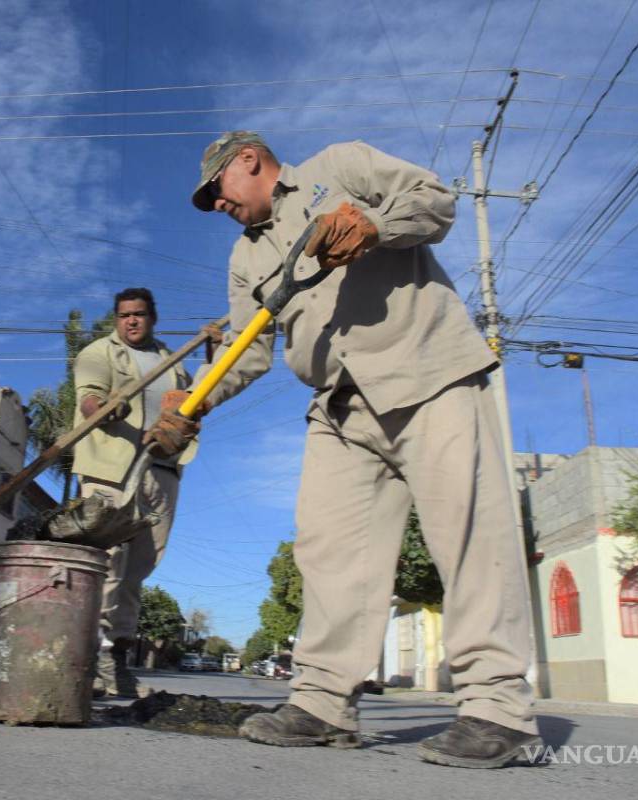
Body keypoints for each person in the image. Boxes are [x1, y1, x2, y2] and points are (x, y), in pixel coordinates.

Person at [144, 132, 542, 768]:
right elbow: (249, 349)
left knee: (469, 535)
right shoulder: (246, 258)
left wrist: (376, 225)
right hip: (339, 405)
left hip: (425, 372)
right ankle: (325, 704)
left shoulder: (341, 166)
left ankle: (499, 711)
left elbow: (434, 201)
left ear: (247, 160)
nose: (218, 205)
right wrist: (191, 404)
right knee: (328, 550)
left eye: (216, 190)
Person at [72, 287, 204, 698]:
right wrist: (104, 409)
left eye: (139, 314)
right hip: (111, 469)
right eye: (124, 315)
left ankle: (120, 655)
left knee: (139, 567)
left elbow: (192, 402)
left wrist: (215, 358)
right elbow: (88, 397)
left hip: (161, 471)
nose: (131, 321)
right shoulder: (98, 352)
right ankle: (93, 658)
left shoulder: (172, 361)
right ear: (117, 319)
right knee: (109, 562)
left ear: (153, 317)